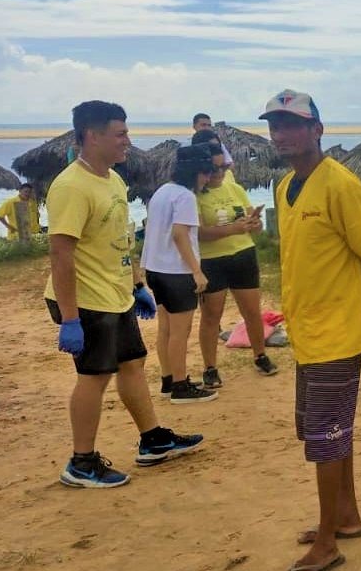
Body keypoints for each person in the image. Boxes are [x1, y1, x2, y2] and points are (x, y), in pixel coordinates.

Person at [265, 88, 361, 571]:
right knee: (328, 430)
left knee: (324, 437)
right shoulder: (285, 187)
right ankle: (346, 516)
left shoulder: (340, 185)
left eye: (293, 125)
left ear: (317, 130)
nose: (282, 135)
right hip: (308, 331)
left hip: (338, 333)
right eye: (275, 126)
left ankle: (326, 543)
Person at [47, 100, 203, 488]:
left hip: (115, 294)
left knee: (133, 363)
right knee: (95, 376)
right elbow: (61, 254)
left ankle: (152, 439)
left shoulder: (112, 179)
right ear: (92, 135)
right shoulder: (70, 186)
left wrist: (136, 285)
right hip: (84, 299)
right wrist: (69, 318)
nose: (127, 142)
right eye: (120, 134)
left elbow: (119, 239)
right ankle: (80, 462)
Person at [195, 142, 278, 389]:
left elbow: (256, 224)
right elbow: (199, 233)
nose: (220, 174)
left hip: (243, 254)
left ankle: (260, 355)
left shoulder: (235, 188)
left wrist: (254, 224)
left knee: (252, 311)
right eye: (215, 169)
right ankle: (210, 367)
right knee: (211, 315)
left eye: (223, 167)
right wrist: (234, 228)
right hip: (212, 260)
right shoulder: (195, 195)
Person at [141, 144, 219, 403]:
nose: (207, 178)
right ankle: (180, 385)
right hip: (176, 271)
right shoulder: (185, 197)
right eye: (205, 173)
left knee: (165, 328)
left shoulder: (162, 191)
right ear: (194, 172)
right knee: (179, 332)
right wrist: (197, 271)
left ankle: (168, 378)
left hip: (155, 268)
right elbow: (179, 235)